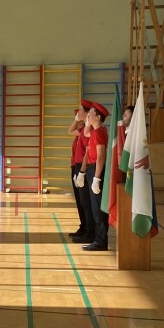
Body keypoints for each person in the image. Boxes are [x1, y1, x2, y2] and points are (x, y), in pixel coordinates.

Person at [77, 101, 111, 252]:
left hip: (96, 170)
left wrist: (96, 178)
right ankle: (98, 239)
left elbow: (101, 156)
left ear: (97, 117)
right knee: (94, 207)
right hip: (92, 169)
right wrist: (87, 123)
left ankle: (101, 241)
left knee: (97, 209)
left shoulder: (99, 132)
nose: (88, 115)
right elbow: (85, 133)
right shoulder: (96, 131)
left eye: (91, 113)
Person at [68, 103, 92, 243]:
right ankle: (84, 227)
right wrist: (76, 120)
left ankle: (89, 230)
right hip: (76, 167)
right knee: (80, 200)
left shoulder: (87, 131)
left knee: (85, 201)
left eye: (79, 113)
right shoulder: (82, 131)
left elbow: (87, 153)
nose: (77, 117)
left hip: (83, 167)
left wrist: (82, 171)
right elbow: (70, 130)